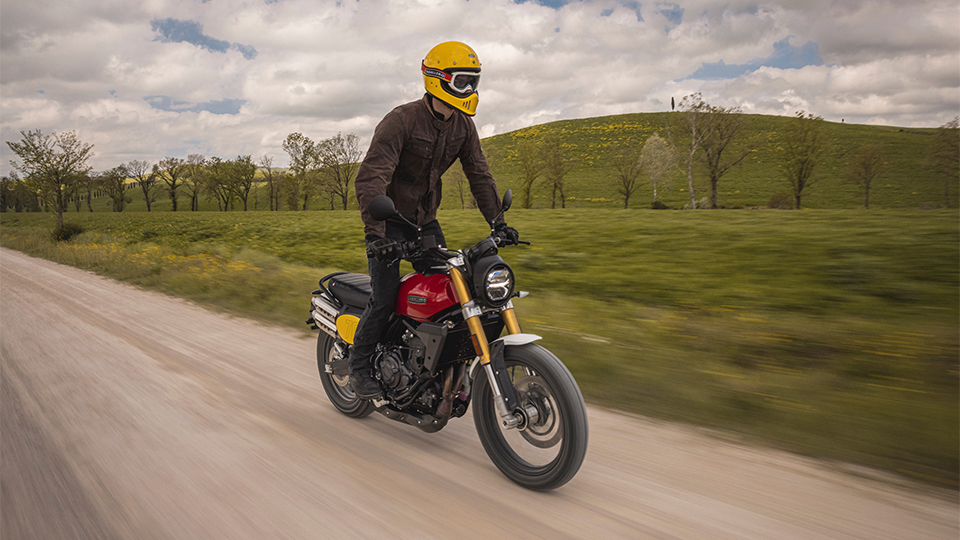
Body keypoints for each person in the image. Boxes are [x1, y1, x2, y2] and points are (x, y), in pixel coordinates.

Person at [349, 41, 519, 399]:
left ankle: (435, 367)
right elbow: (372, 177)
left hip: (425, 223)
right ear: (438, 79)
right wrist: (377, 235)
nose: (469, 89)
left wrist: (498, 222)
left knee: (453, 293)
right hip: (388, 222)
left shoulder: (463, 127)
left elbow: (479, 175)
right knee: (385, 298)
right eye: (462, 81)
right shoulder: (401, 120)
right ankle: (359, 368)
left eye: (473, 82)